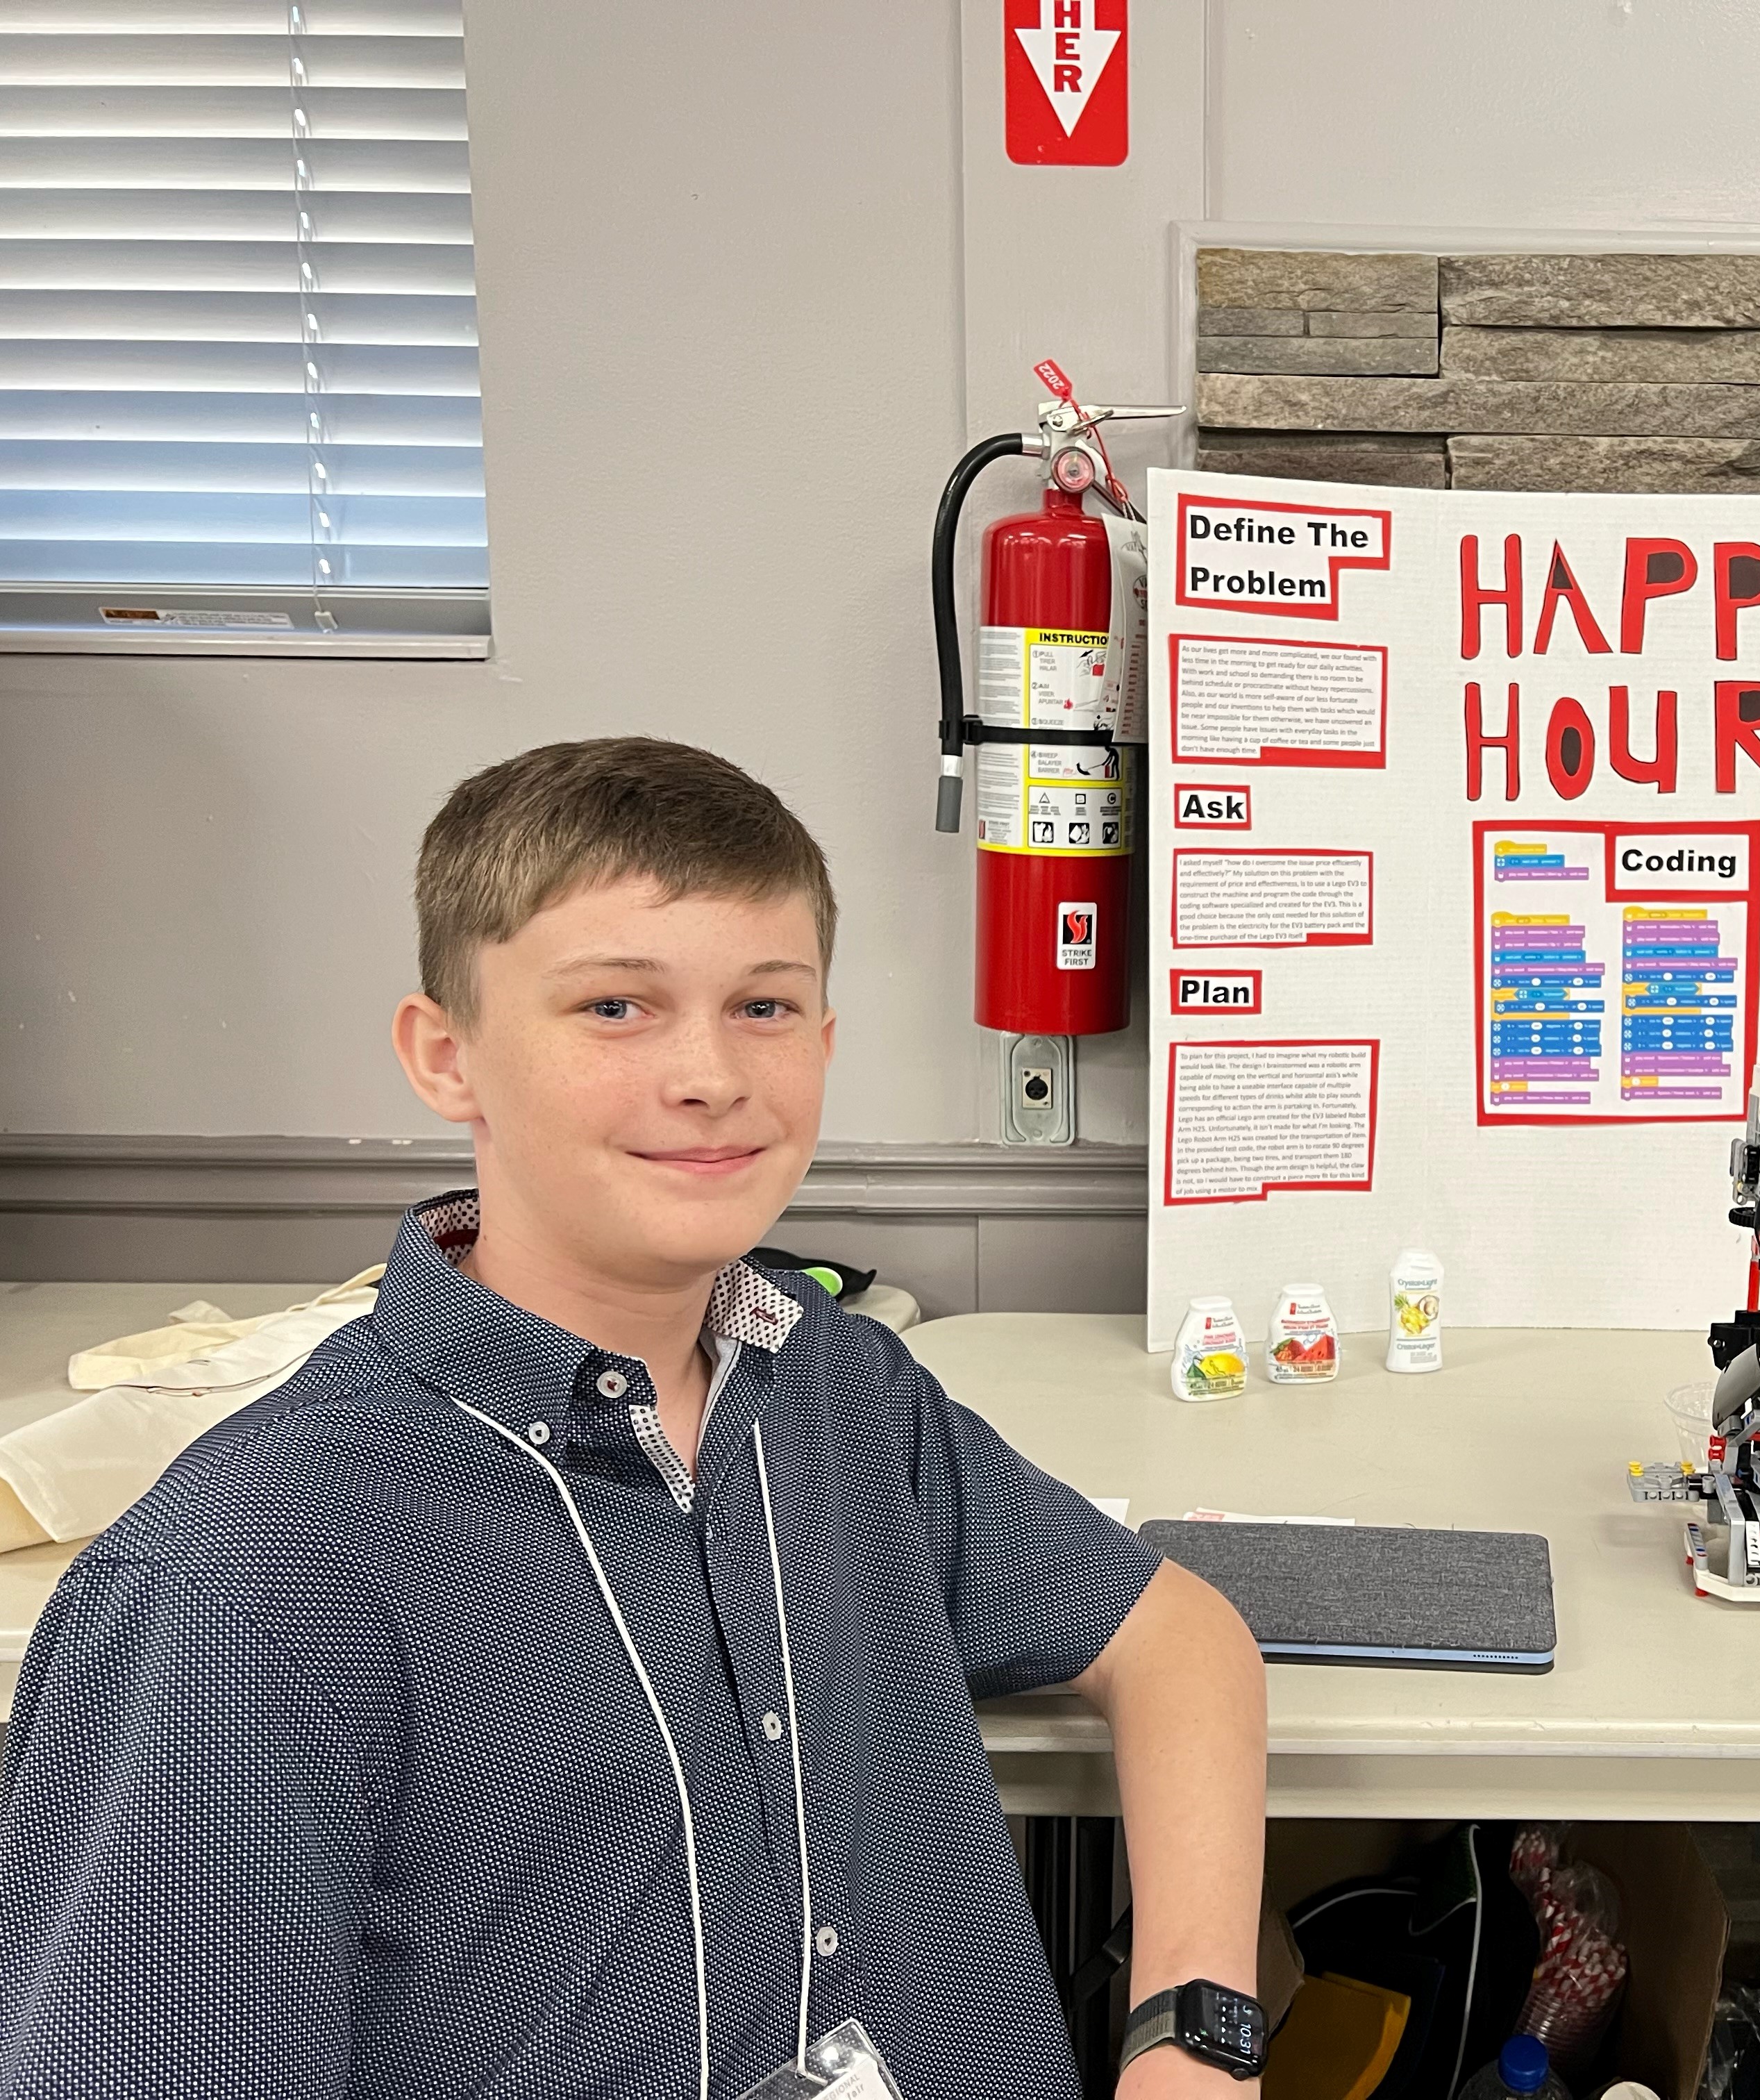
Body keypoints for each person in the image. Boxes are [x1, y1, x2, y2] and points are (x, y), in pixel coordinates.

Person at [0, 738, 1268, 2100]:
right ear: (448, 1057)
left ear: (826, 1043)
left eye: (767, 1009)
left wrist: (1195, 2036)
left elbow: (1176, 1634)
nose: (712, 1075)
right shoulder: (243, 1593)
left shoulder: (831, 1386)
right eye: (615, 1007)